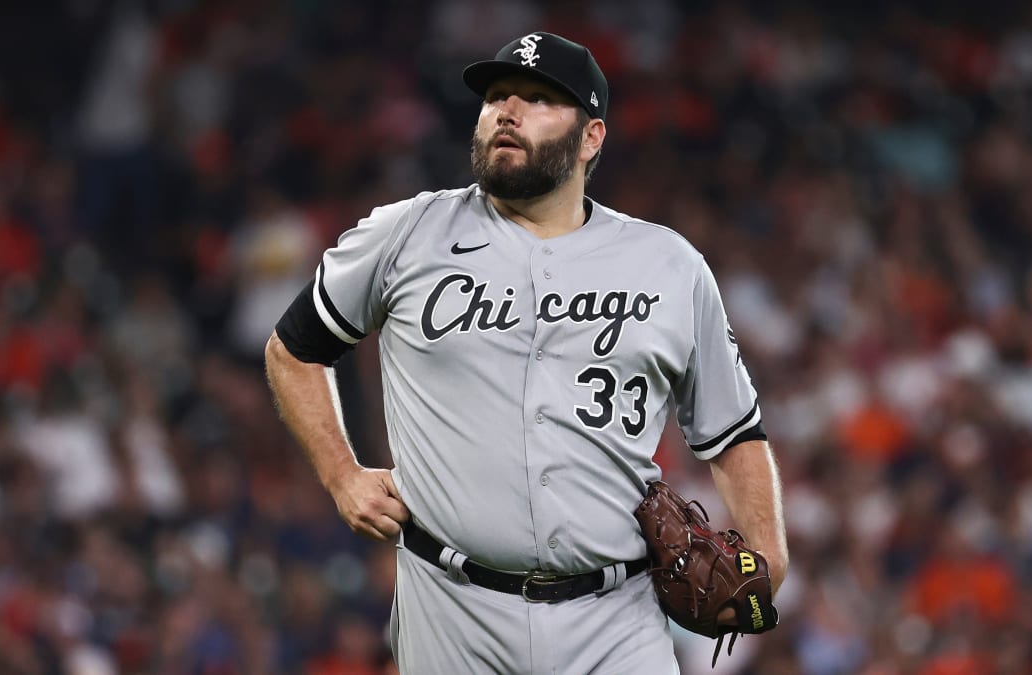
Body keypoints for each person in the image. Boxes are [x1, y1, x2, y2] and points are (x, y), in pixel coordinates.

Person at [265, 31, 789, 674]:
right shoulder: (406, 234)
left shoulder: (668, 265)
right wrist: (341, 474)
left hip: (615, 617)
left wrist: (767, 547)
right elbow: (293, 350)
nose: (507, 111)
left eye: (539, 99)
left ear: (591, 137)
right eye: (497, 96)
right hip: (451, 610)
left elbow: (732, 429)